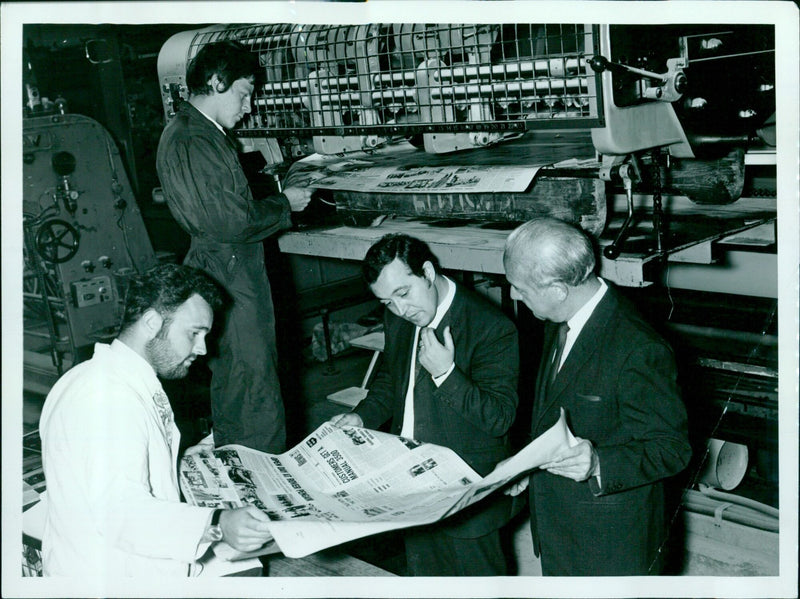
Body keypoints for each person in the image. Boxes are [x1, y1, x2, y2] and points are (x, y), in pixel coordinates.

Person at [40, 264, 273, 577]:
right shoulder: (106, 398)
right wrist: (216, 523)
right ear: (151, 322)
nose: (203, 349)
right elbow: (120, 513)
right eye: (194, 333)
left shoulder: (102, 378)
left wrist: (178, 462)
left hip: (128, 561)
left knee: (249, 565)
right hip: (112, 577)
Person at [502, 217, 692, 576]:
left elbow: (671, 447)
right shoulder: (560, 318)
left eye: (520, 288)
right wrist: (524, 464)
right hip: (561, 528)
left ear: (558, 288)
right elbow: (555, 410)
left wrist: (600, 463)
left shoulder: (637, 348)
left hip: (609, 545)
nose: (514, 295)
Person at [330, 233, 519, 576]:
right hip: (410, 487)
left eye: (403, 294)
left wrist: (446, 373)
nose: (401, 310)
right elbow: (391, 380)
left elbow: (499, 418)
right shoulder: (399, 318)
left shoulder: (491, 327)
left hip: (467, 498)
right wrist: (361, 417)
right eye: (387, 303)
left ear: (428, 273)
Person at [156, 41, 313, 453]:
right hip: (229, 268)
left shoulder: (197, 133)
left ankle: (237, 460)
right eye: (244, 94)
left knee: (236, 377)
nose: (249, 106)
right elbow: (232, 220)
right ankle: (262, 472)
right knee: (254, 377)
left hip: (223, 266)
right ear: (216, 81)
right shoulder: (196, 139)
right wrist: (286, 203)